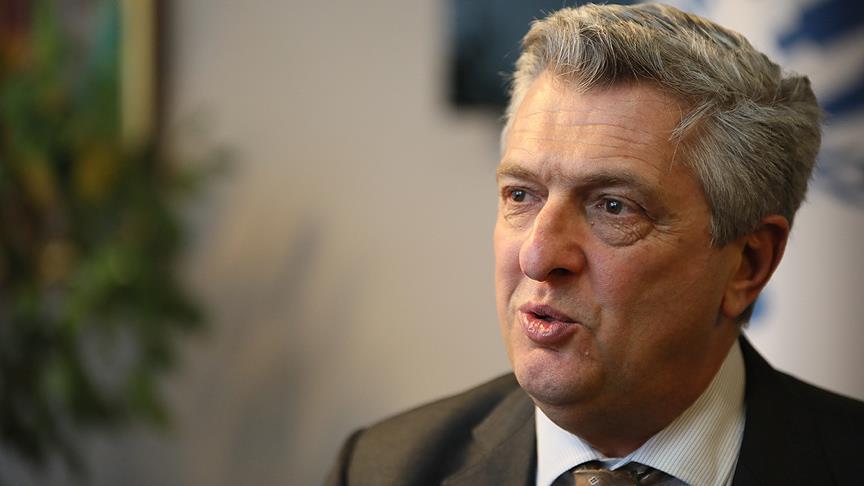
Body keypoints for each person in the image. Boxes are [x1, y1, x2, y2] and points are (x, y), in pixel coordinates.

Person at [325, 4, 864, 485]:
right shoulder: (381, 468)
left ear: (748, 263)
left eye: (613, 206)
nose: (537, 257)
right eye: (521, 195)